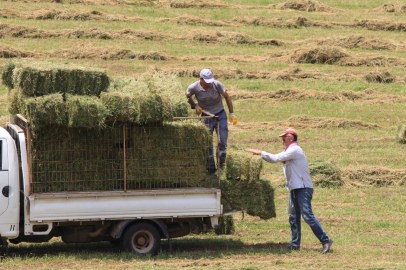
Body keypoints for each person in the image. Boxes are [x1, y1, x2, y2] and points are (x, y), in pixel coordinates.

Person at [245, 128, 333, 254]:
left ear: (291, 138)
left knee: (307, 215)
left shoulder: (295, 150)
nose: (282, 139)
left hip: (303, 188)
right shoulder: (289, 151)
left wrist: (259, 152)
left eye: (284, 137)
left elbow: (275, 158)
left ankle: (325, 240)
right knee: (293, 217)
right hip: (294, 188)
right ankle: (295, 244)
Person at [185, 69, 236, 173]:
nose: (209, 83)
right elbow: (187, 95)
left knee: (222, 141)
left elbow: (227, 97)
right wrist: (194, 106)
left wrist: (231, 113)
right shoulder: (194, 87)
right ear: (201, 79)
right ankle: (211, 168)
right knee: (207, 143)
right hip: (206, 117)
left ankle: (221, 165)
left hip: (220, 115)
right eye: (207, 81)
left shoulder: (216, 85)